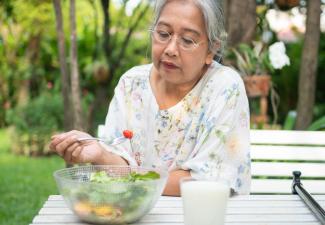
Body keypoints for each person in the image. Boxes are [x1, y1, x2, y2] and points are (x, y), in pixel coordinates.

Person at [50, 0, 251, 196]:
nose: (171, 49)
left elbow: (209, 181)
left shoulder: (224, 87)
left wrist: (131, 178)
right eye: (163, 34)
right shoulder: (131, 84)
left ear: (212, 50)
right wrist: (100, 155)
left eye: (187, 40)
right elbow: (121, 167)